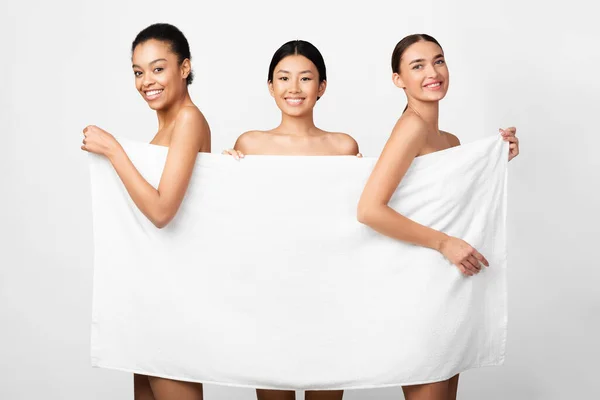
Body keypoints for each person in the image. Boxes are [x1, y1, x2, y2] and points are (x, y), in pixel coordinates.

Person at [356, 33, 519, 400]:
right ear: (398, 79)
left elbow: (449, 203)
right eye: (417, 66)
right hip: (420, 290)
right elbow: (369, 209)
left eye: (439, 61)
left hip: (449, 289)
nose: (433, 72)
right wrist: (445, 243)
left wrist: (496, 157)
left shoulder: (450, 141)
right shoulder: (411, 127)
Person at [223, 39, 360, 400]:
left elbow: (368, 207)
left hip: (331, 293)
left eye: (305, 78)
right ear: (270, 87)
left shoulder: (344, 146)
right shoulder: (249, 144)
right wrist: (220, 174)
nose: (294, 88)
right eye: (283, 78)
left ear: (322, 87)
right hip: (269, 294)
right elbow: (232, 216)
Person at [81, 23, 210, 400]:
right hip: (149, 290)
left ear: (184, 68)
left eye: (157, 68)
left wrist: (114, 150)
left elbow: (162, 210)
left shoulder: (188, 119)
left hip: (172, 295)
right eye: (138, 72)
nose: (145, 81)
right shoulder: (166, 129)